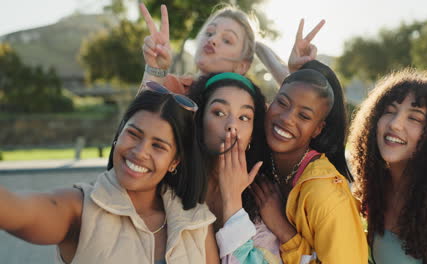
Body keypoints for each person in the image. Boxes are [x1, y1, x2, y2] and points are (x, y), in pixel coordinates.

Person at [0, 89, 219, 264]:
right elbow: (16, 210)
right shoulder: (79, 209)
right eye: (133, 134)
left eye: (158, 146)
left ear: (174, 162)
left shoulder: (197, 222)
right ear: (118, 135)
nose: (140, 152)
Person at [252, 60, 368, 263]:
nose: (287, 118)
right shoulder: (259, 160)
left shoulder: (325, 194)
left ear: (318, 128)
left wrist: (283, 229)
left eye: (304, 116)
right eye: (282, 103)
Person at [348, 69, 427, 264]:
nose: (395, 124)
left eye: (415, 118)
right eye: (389, 111)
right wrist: (300, 72)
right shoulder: (368, 194)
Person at [186, 72, 282, 263]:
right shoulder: (175, 179)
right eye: (219, 113)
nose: (232, 126)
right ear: (199, 120)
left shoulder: (263, 199)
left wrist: (233, 203)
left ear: (253, 134)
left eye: (244, 117)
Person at [138, 3, 324, 94]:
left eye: (227, 40)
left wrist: (291, 72)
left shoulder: (250, 106)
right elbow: (138, 121)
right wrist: (156, 68)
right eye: (209, 33)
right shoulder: (172, 87)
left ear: (243, 66)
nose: (213, 40)